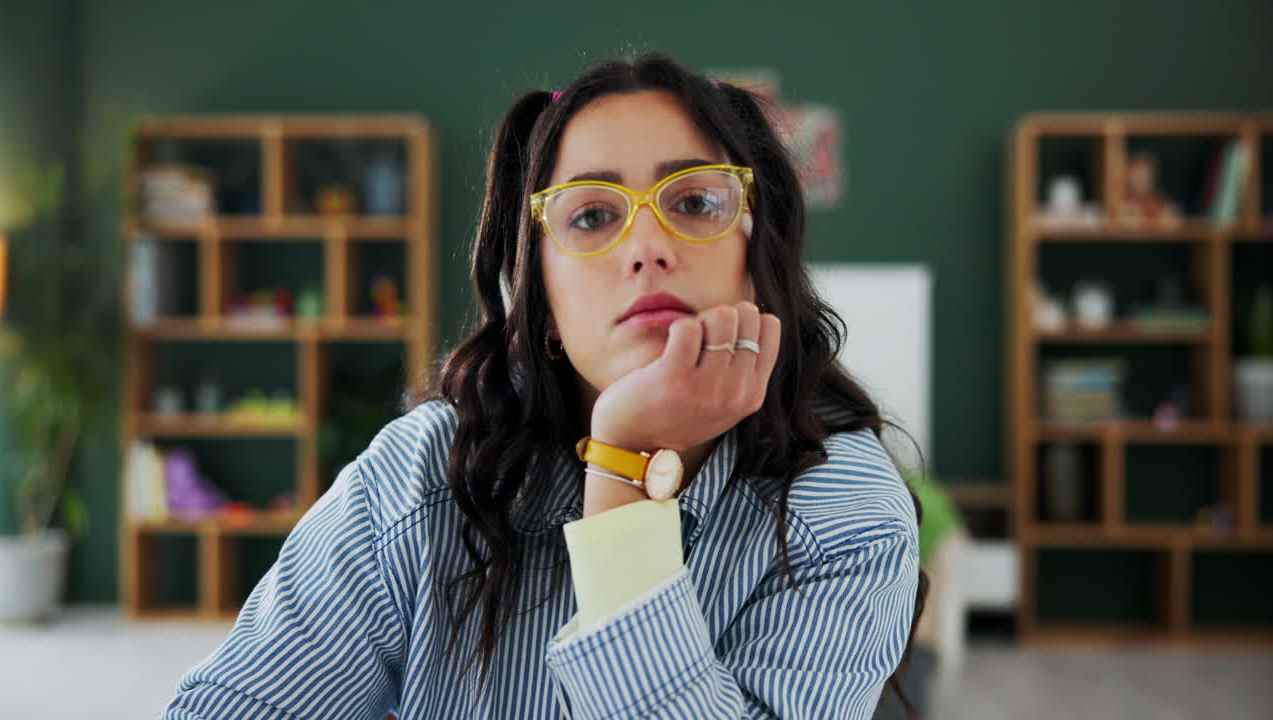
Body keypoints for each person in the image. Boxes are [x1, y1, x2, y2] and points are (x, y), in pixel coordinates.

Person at [162, 52, 926, 720]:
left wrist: (624, 467)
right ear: (546, 303)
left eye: (694, 202)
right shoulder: (423, 476)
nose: (647, 246)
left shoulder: (845, 511)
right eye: (592, 216)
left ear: (754, 257)